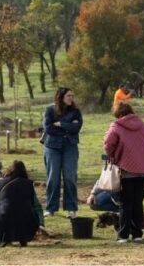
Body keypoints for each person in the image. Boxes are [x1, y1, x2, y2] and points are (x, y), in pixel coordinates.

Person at [103, 102, 144, 243]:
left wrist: (113, 155)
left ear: (118, 114)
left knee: (126, 203)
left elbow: (108, 145)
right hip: (143, 169)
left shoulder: (116, 126)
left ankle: (123, 235)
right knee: (138, 203)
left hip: (126, 169)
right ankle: (137, 234)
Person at [0, 160, 43, 247]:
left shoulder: (0, 183)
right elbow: (32, 204)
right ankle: (22, 239)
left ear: (9, 171)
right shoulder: (29, 184)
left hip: (4, 220)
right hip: (27, 222)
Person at [42, 87, 83, 218]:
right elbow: (48, 128)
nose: (71, 98)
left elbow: (77, 128)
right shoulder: (50, 110)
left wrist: (61, 124)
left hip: (70, 147)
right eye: (68, 96)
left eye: (72, 95)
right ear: (61, 97)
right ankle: (51, 208)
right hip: (52, 147)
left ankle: (71, 208)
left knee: (70, 177)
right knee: (53, 178)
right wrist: (68, 127)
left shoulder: (75, 111)